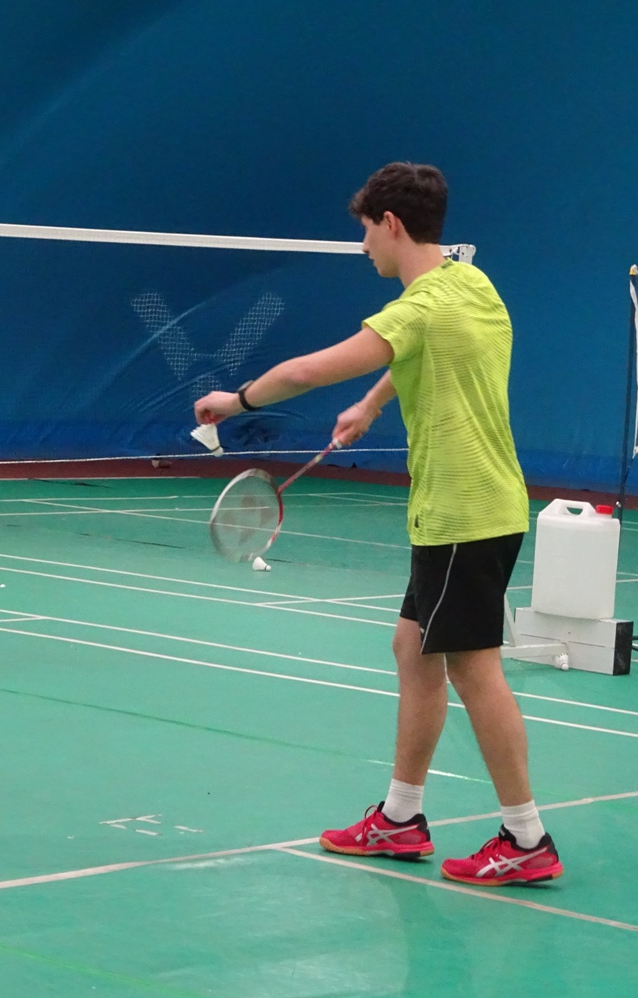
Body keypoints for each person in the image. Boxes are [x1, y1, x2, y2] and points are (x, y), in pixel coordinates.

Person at [194, 161, 562, 886]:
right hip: (479, 505)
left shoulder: (415, 308)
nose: (363, 246)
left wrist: (235, 402)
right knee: (413, 649)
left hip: (462, 513)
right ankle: (400, 818)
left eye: (365, 231)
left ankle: (525, 837)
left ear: (390, 224)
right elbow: (423, 353)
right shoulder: (471, 285)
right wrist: (371, 404)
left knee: (474, 668)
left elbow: (308, 371)